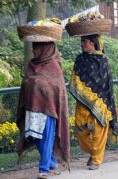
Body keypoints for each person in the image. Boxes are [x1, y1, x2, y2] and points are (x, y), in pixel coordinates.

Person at [17, 42, 70, 179]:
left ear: (44, 49)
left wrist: (36, 83)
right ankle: (51, 162)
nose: (33, 51)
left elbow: (56, 87)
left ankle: (43, 169)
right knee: (33, 137)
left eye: (36, 48)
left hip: (48, 109)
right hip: (32, 108)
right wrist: (32, 83)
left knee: (46, 138)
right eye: (33, 48)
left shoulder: (54, 66)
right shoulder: (31, 64)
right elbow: (27, 82)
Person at [69, 34, 117, 170]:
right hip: (83, 102)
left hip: (100, 101)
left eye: (84, 41)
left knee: (98, 129)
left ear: (92, 42)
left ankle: (96, 159)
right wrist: (82, 92)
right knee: (80, 129)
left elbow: (106, 82)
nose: (82, 44)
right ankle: (95, 152)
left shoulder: (103, 60)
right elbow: (75, 78)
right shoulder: (80, 59)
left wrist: (98, 96)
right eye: (82, 41)